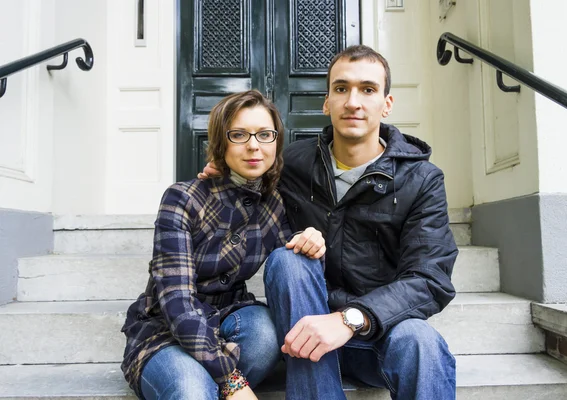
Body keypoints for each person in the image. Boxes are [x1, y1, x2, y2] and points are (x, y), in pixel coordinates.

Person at [200, 45, 458, 400]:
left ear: (386, 104)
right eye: (341, 89)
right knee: (288, 261)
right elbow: (248, 185)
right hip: (305, 334)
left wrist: (349, 319)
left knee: (422, 341)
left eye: (367, 90)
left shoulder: (421, 180)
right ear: (327, 102)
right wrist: (225, 176)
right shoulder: (292, 164)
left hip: (377, 334)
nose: (353, 102)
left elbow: (430, 280)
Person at [121, 90, 326, 400]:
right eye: (239, 135)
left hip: (230, 316)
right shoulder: (183, 198)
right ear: (220, 142)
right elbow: (176, 301)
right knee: (191, 390)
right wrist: (232, 380)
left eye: (265, 134)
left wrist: (313, 239)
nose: (254, 145)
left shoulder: (276, 205)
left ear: (276, 142)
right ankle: (198, 378)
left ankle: (208, 374)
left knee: (264, 337)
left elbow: (294, 256)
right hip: (165, 331)